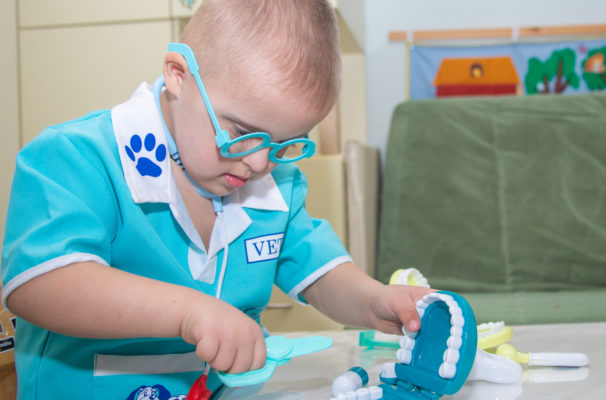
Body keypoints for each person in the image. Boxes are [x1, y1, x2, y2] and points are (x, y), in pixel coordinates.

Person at [0, 0, 433, 398]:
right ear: (178, 75)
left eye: (285, 142)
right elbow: (39, 286)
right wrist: (190, 312)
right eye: (243, 134)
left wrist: (375, 300)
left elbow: (320, 275)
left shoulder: (277, 184)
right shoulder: (75, 158)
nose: (260, 162)